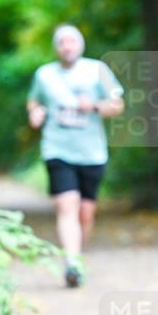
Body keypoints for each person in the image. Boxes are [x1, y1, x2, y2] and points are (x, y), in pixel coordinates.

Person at [27, 24, 124, 287]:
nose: (67, 46)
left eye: (72, 42)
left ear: (80, 45)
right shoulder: (44, 74)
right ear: (56, 47)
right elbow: (33, 101)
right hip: (57, 149)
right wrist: (35, 113)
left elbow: (118, 104)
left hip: (92, 153)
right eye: (62, 42)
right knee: (66, 206)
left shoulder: (99, 71)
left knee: (85, 213)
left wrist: (93, 105)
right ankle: (71, 264)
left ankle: (76, 256)